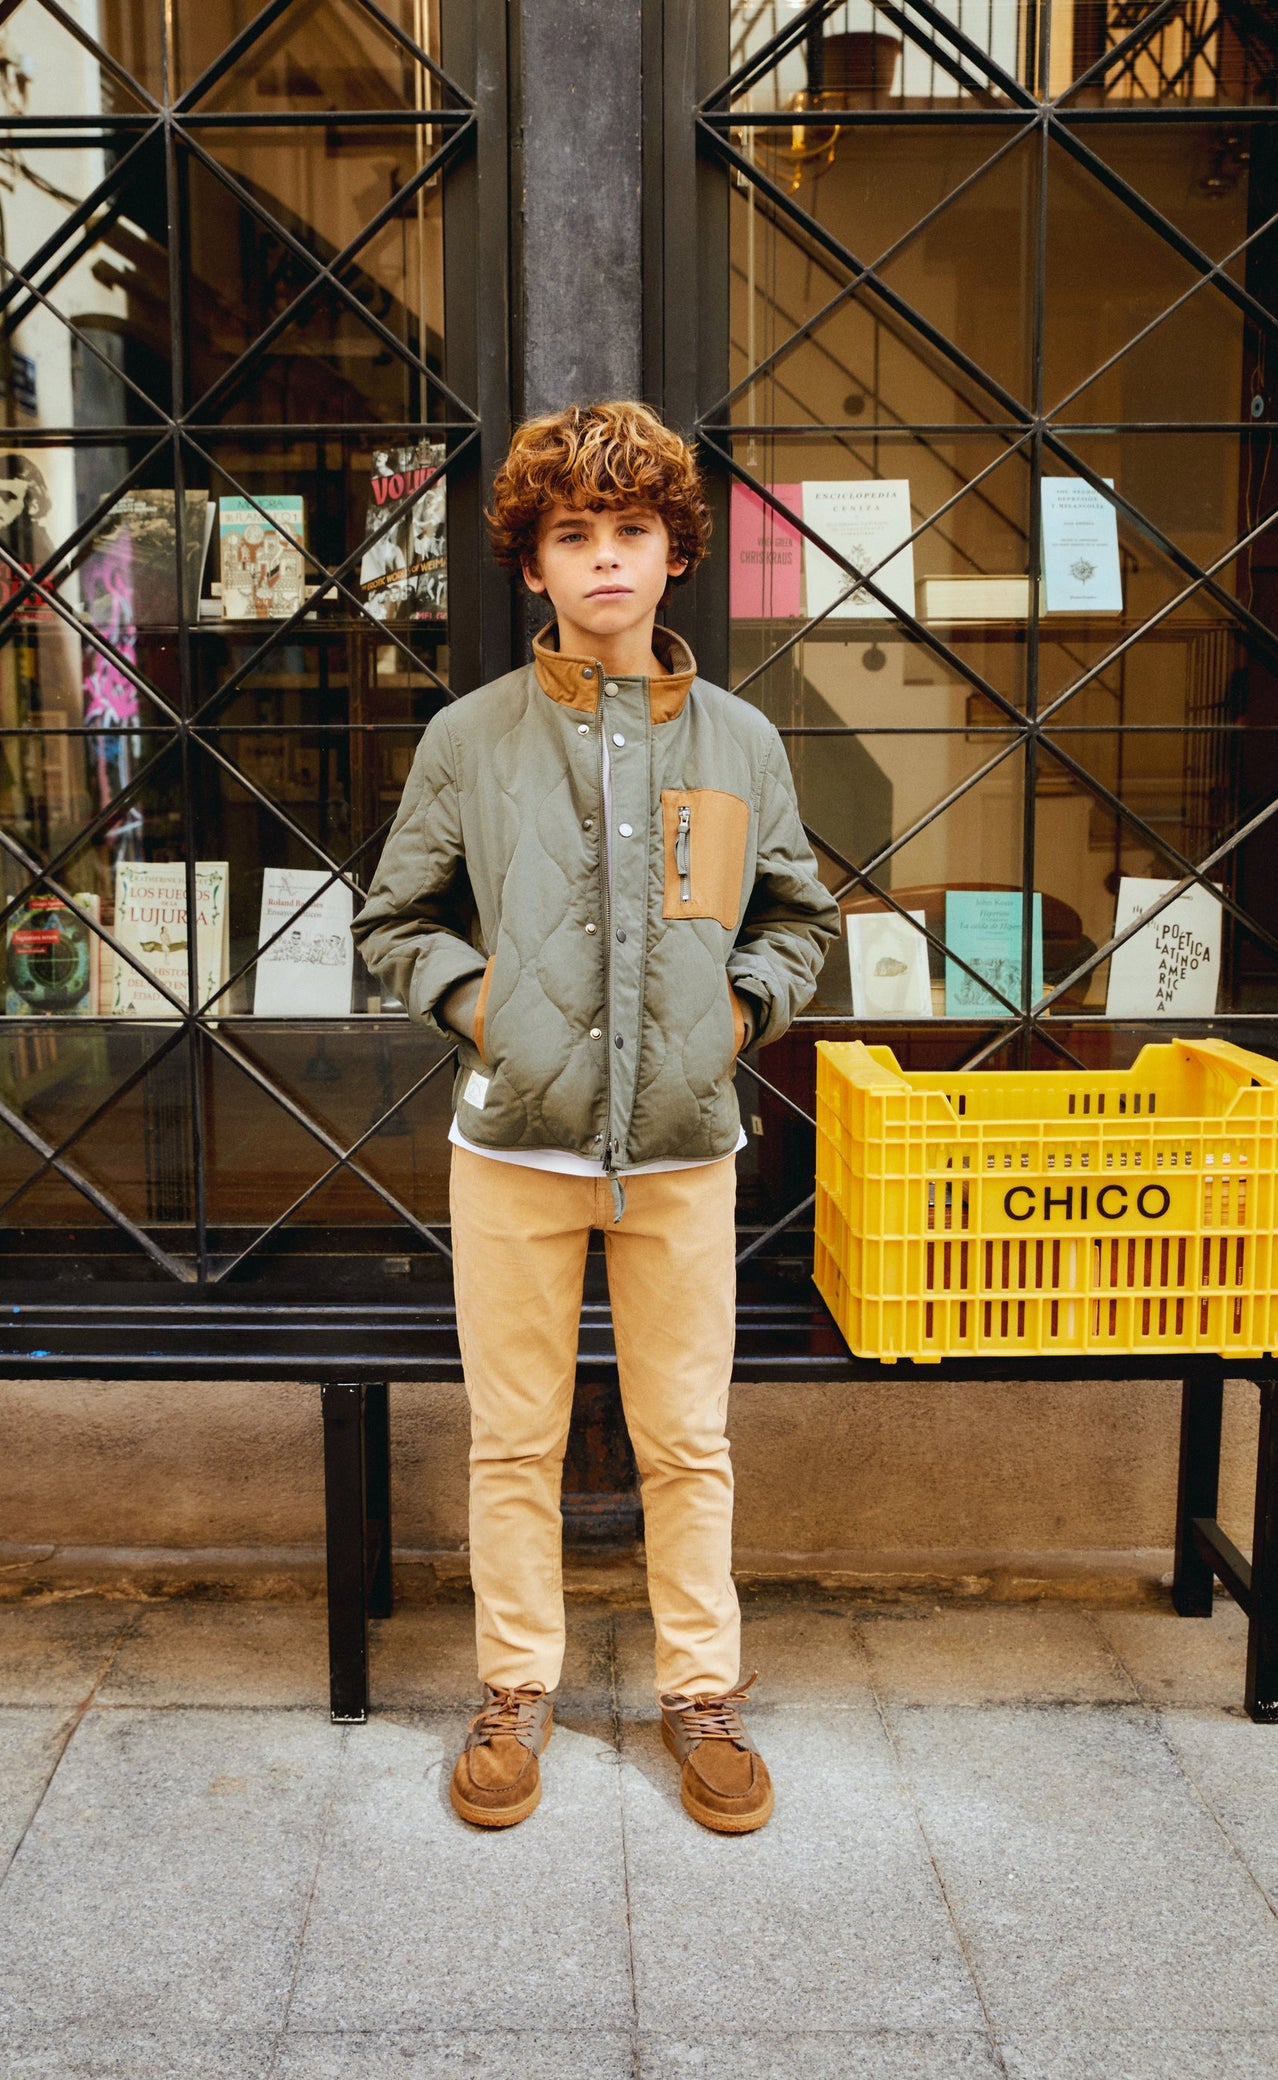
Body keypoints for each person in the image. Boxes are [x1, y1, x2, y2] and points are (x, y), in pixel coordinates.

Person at [353, 400, 839, 1833]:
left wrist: (734, 1020)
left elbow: (798, 918)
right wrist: (485, 1013)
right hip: (513, 1148)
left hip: (684, 1151)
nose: (607, 558)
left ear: (676, 552)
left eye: (633, 530)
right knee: (514, 1440)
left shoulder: (739, 740)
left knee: (687, 1438)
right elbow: (395, 919)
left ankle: (702, 1690)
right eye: (575, 534)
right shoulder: (470, 737)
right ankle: (517, 1688)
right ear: (533, 564)